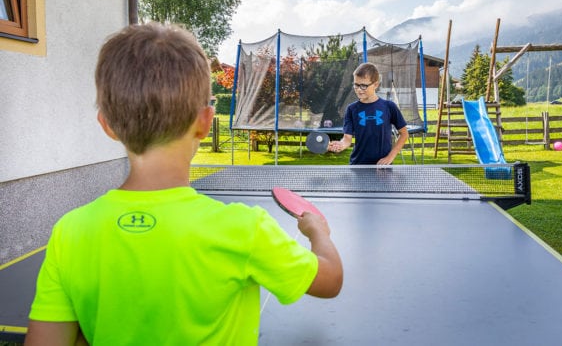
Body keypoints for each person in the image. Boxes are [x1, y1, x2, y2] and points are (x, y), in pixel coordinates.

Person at [24, 22, 343, 346]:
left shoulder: (69, 233)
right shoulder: (244, 229)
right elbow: (330, 279)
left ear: (107, 125)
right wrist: (318, 231)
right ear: (205, 122)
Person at [328, 62, 409, 165]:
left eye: (363, 86)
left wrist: (390, 157)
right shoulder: (351, 109)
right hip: (358, 166)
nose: (358, 90)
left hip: (382, 167)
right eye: (356, 85)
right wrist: (341, 145)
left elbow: (404, 134)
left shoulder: (389, 107)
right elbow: (347, 139)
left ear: (375, 84)